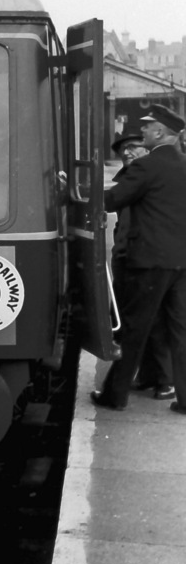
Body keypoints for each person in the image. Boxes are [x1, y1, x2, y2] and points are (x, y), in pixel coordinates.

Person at [91, 103, 186, 412]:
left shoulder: (147, 166)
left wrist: (77, 193)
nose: (142, 130)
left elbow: (113, 198)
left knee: (133, 329)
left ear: (160, 132)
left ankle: (114, 396)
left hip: (149, 262)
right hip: (181, 262)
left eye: (147, 126)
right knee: (180, 331)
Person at [108, 133, 174, 400]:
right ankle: (149, 377)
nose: (128, 152)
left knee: (152, 322)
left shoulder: (149, 178)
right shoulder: (128, 178)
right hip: (125, 256)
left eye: (134, 147)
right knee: (130, 320)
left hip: (145, 258)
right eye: (123, 149)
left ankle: (163, 380)